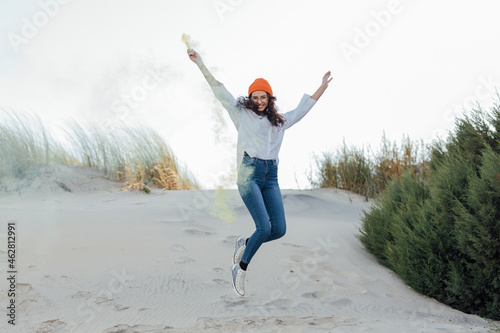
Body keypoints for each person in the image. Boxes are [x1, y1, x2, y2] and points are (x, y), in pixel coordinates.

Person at [187, 48, 332, 297]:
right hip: (248, 174)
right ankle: (240, 270)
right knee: (263, 227)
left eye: (264, 96)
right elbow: (218, 89)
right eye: (255, 96)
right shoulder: (240, 114)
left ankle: (244, 243)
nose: (259, 101)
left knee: (279, 230)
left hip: (271, 177)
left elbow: (302, 109)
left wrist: (322, 88)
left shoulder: (280, 122)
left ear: (270, 98)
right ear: (250, 98)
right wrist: (200, 63)